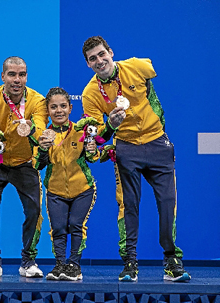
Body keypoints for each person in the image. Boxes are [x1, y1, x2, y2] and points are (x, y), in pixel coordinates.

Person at [81, 36, 191, 282]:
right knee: (128, 205)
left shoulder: (137, 67)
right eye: (92, 59)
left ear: (110, 52)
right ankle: (129, 262)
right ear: (88, 64)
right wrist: (110, 125)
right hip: (126, 149)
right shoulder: (90, 93)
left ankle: (172, 261)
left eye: (101, 54)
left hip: (158, 143)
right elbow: (98, 135)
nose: (99, 61)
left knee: (167, 203)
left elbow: (151, 68)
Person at [0, 56, 48, 278]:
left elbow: (40, 131)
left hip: (24, 163)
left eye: (22, 74)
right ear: (3, 76)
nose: (17, 80)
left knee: (34, 209)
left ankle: (28, 260)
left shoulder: (37, 101)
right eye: (12, 74)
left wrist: (33, 129)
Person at [33, 87, 99, 281]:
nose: (59, 110)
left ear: (70, 108)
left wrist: (92, 148)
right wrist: (43, 149)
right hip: (55, 191)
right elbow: (37, 164)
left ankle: (74, 265)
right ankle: (60, 264)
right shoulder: (43, 135)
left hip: (83, 189)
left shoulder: (80, 131)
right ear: (48, 110)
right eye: (53, 107)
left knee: (76, 225)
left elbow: (93, 157)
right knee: (58, 228)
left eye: (63, 106)